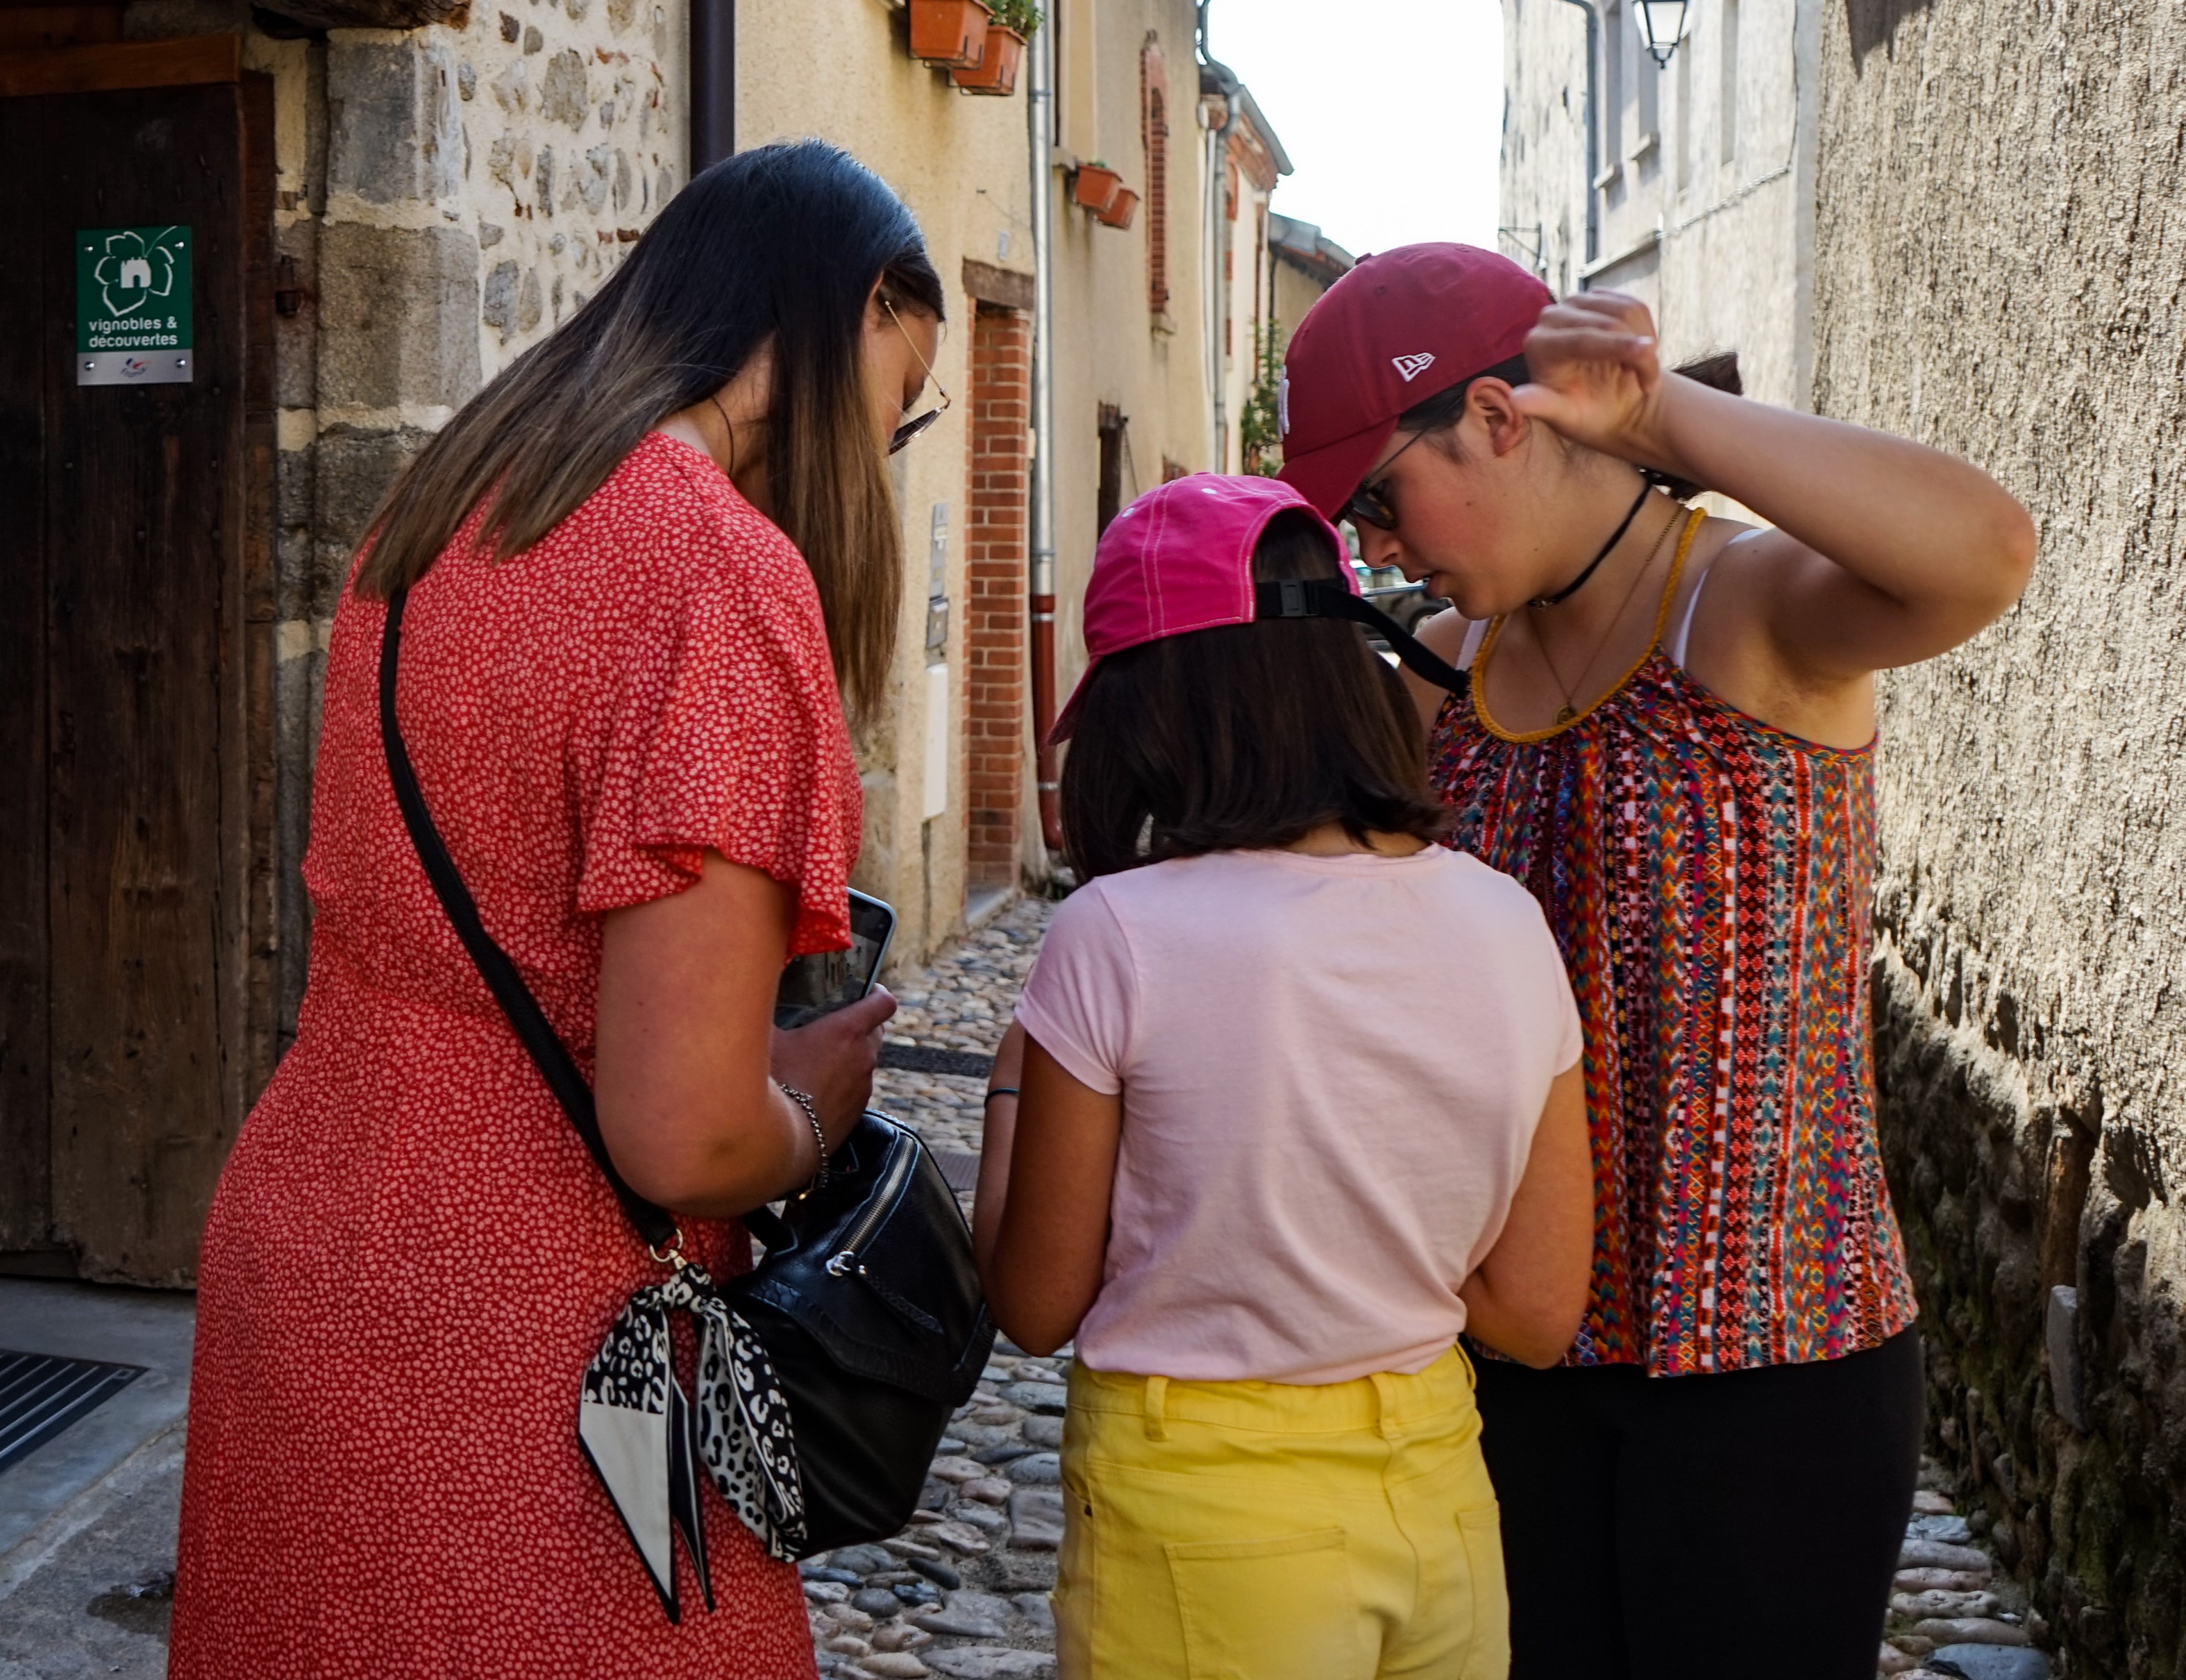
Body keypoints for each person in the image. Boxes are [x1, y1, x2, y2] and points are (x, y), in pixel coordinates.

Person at [169, 142, 940, 1678]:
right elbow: (681, 1140)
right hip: (536, 1315)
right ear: (856, 306)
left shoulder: (443, 513)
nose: (883, 444)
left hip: (315, 1233)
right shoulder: (715, 573)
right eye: (900, 400)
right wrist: (808, 1111)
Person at [1273, 246, 2039, 1680]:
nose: (1376, 544)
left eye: (1379, 496)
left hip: (1775, 1357)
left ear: (1495, 421)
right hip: (1517, 1356)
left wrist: (1660, 414)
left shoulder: (1741, 608)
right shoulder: (1441, 669)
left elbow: (1985, 550)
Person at [970, 474, 1592, 1680]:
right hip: (1436, 1494)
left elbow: (1035, 1303)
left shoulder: (1117, 934)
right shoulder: (1506, 923)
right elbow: (1534, 1313)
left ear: (1155, 711)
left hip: (1205, 1512)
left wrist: (1010, 1092)